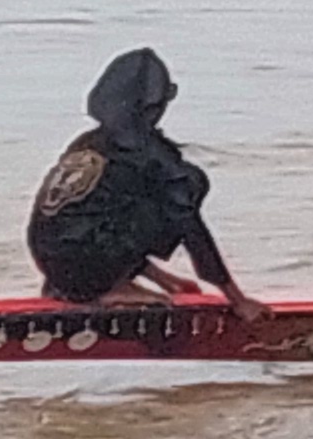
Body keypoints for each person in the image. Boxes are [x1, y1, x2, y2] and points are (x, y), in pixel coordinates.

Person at [27, 49, 248, 309]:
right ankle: (110, 288)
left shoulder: (87, 143)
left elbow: (89, 222)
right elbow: (190, 226)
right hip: (87, 269)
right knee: (188, 183)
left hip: (51, 261)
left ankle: (82, 286)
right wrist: (237, 300)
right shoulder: (151, 154)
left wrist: (166, 280)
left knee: (116, 204)